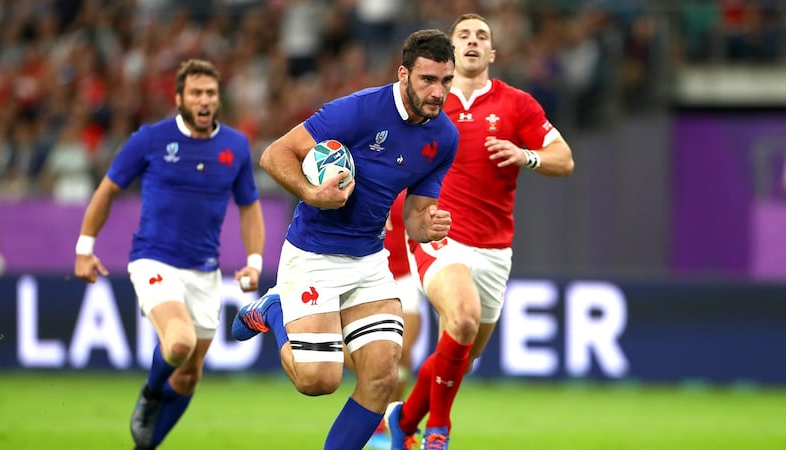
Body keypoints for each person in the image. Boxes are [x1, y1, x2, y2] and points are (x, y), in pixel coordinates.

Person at [230, 29, 458, 450]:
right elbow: (275, 153)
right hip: (313, 253)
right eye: (428, 80)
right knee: (319, 381)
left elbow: (414, 218)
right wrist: (314, 194)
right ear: (404, 73)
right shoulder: (358, 111)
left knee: (383, 375)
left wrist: (429, 226)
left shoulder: (444, 137)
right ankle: (274, 308)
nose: (438, 91)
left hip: (369, 261)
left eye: (446, 81)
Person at [386, 14, 575, 450]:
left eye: (482, 37)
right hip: (439, 233)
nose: (473, 41)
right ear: (450, 51)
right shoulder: (428, 100)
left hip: (494, 249)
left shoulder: (517, 105)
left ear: (492, 53)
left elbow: (563, 159)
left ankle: (406, 421)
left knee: (462, 354)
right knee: (464, 318)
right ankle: (440, 429)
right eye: (464, 35)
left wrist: (525, 154)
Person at [73, 59, 266, 450]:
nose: (204, 100)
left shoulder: (235, 146)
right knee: (178, 343)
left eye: (211, 93)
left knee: (189, 375)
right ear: (178, 98)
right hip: (154, 260)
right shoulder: (150, 139)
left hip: (205, 272)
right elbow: (108, 190)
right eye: (196, 93)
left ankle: (145, 446)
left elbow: (249, 206)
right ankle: (148, 393)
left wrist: (254, 260)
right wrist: (84, 249)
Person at [366, 190, 427, 450]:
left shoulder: (416, 175)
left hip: (404, 276)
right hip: (369, 274)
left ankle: (388, 419)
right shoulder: (367, 168)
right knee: (371, 356)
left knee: (403, 354)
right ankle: (370, 414)